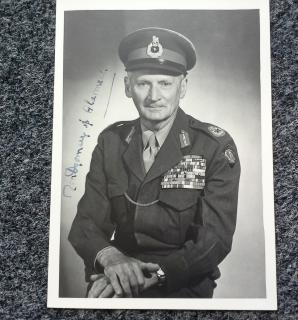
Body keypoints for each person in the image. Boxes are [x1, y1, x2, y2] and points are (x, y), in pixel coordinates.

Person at [68, 27, 241, 298]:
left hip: (182, 281)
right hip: (118, 274)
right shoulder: (111, 141)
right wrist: (110, 258)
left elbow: (214, 240)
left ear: (182, 87)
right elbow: (86, 222)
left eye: (165, 83)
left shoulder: (214, 146)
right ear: (127, 86)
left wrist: (159, 275)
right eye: (143, 83)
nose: (154, 96)